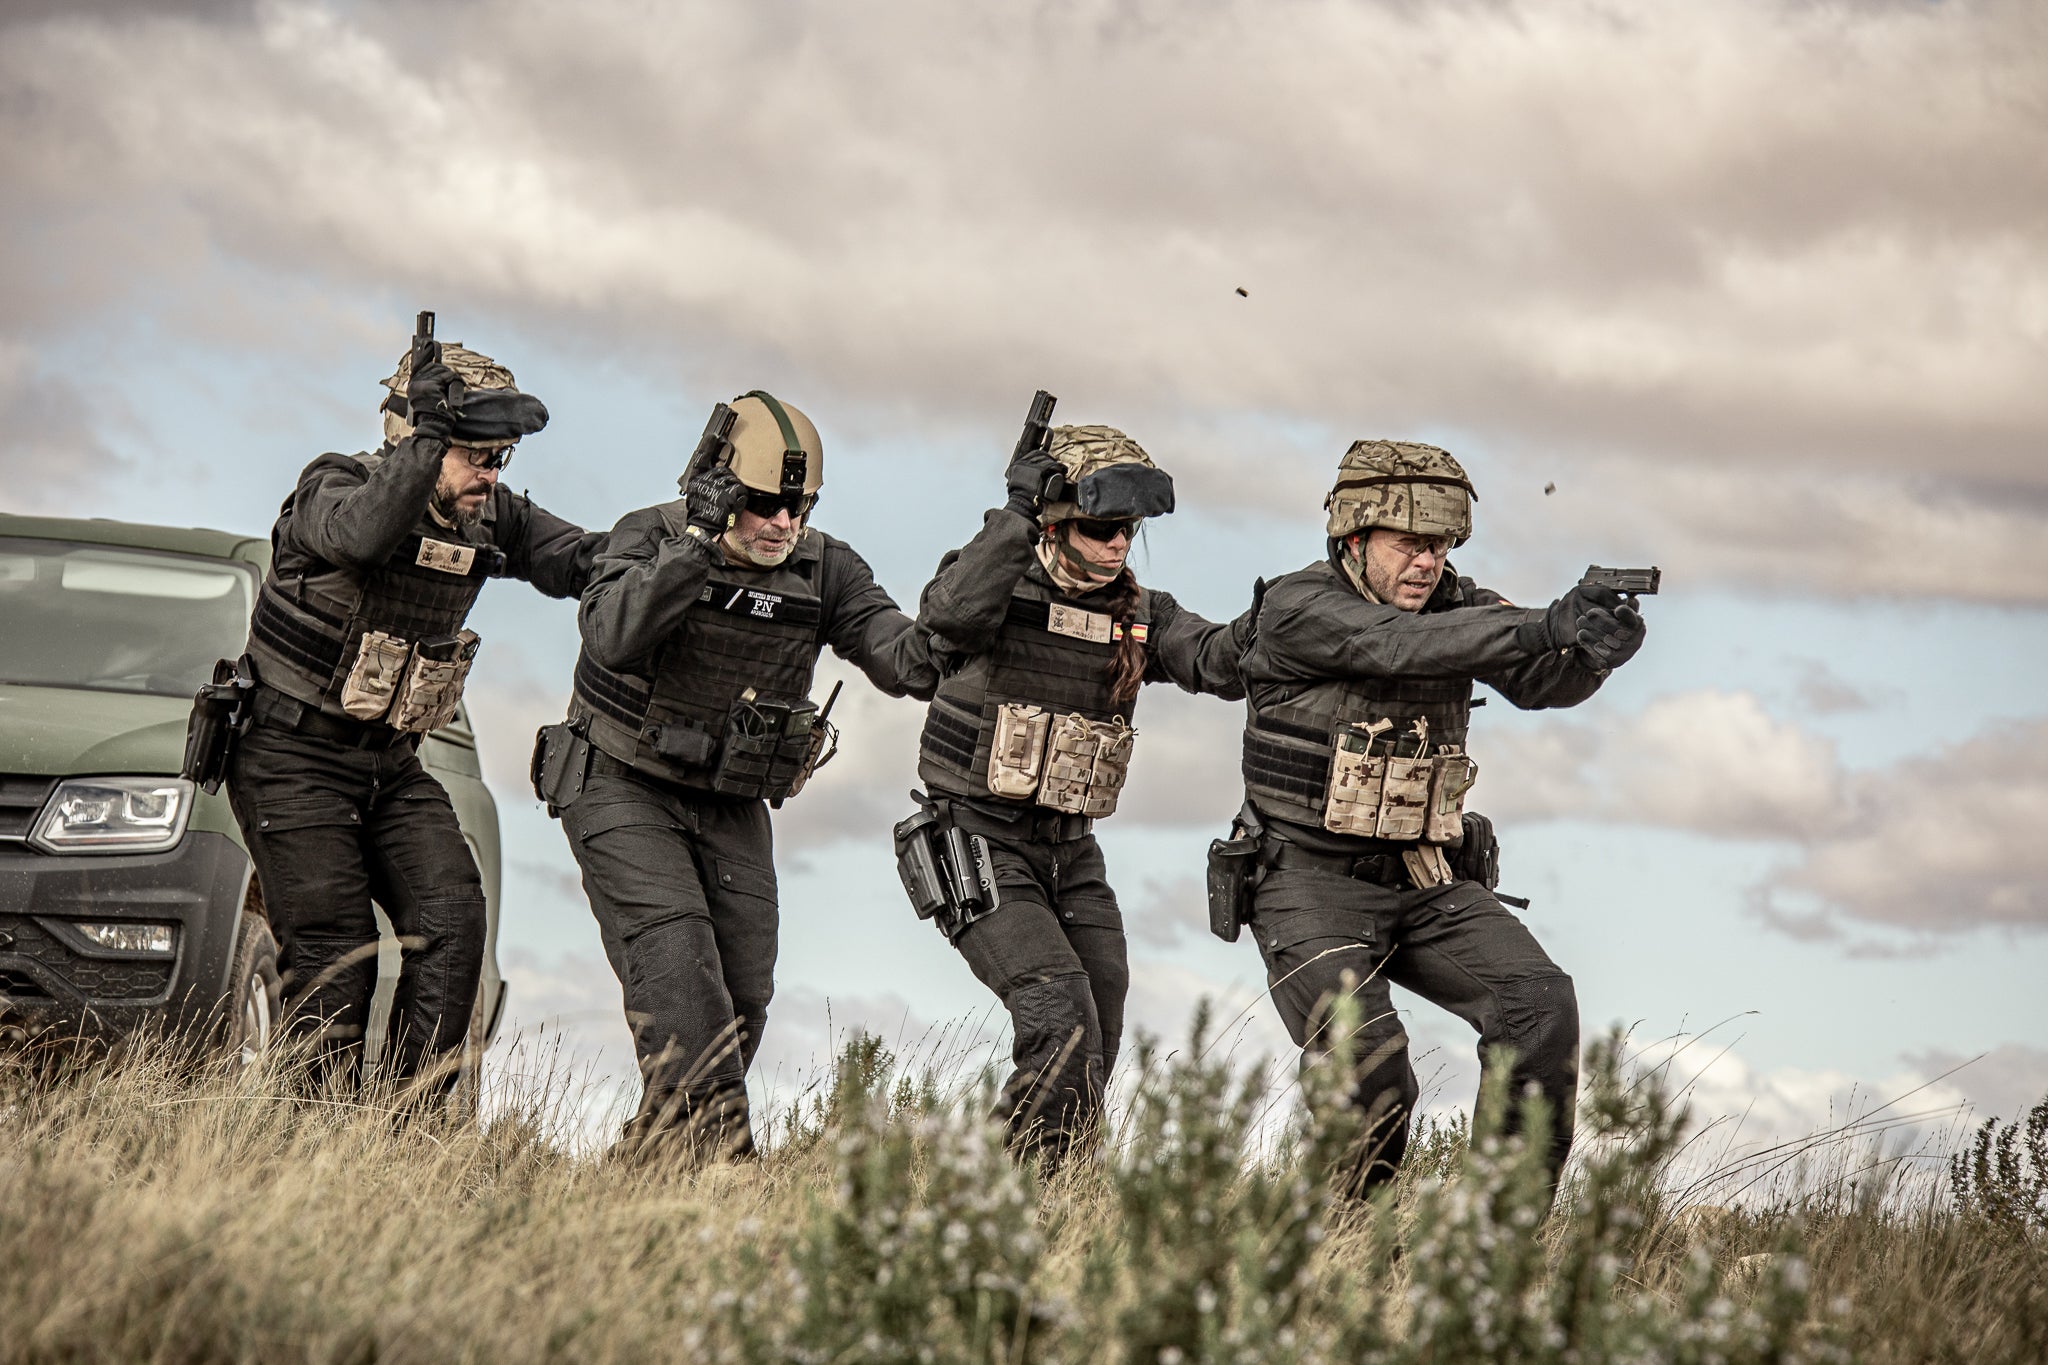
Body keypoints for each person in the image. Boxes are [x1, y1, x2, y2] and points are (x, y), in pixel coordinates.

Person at [1227, 439, 1646, 1200]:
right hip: (1307, 885)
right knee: (1370, 1061)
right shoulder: (1298, 608)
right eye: (1410, 543)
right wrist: (1542, 623)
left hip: (1425, 879)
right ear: (1354, 537)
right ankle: (1344, 1250)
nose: (1429, 561)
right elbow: (1395, 647)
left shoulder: (1457, 604)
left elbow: (1541, 678)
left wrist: (1593, 651)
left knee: (1540, 1007)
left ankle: (1494, 1252)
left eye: (1442, 545)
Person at [539, 390, 937, 1160]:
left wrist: (980, 579)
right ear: (720, 490)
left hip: (730, 802)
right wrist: (692, 542)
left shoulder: (826, 570)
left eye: (799, 505)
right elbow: (612, 635)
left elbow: (908, 659)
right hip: (619, 781)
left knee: (743, 998)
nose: (782, 523)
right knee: (683, 984)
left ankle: (648, 1174)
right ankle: (727, 1175)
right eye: (761, 505)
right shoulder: (648, 537)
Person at [227, 331, 603, 1097]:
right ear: (418, 439)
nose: (491, 475)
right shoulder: (331, 488)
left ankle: (407, 1138)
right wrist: (429, 441)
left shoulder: (488, 514)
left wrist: (682, 545)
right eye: (476, 454)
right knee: (338, 958)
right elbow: (363, 534)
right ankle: (312, 1149)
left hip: (388, 766)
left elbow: (583, 559)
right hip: (289, 757)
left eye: (502, 458)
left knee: (455, 921)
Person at [896, 424, 1249, 1163]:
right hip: (978, 841)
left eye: (1128, 529)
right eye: (1099, 527)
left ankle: (1051, 1186)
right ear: (1055, 523)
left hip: (1071, 853)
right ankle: (1010, 1192)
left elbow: (1216, 659)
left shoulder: (1139, 612)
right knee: (1060, 1016)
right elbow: (947, 618)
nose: (1119, 543)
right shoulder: (991, 587)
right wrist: (1014, 518)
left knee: (1101, 1019)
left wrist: (1279, 623)